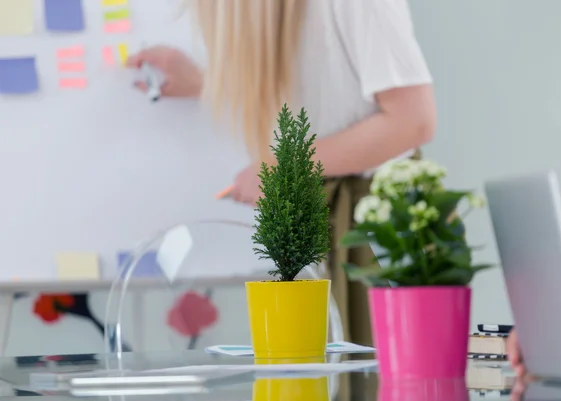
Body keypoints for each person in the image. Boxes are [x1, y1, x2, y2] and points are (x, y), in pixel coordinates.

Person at [127, 2, 435, 395]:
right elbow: (324, 86)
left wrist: (284, 164)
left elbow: (414, 120)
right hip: (325, 221)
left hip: (370, 232)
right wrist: (207, 82)